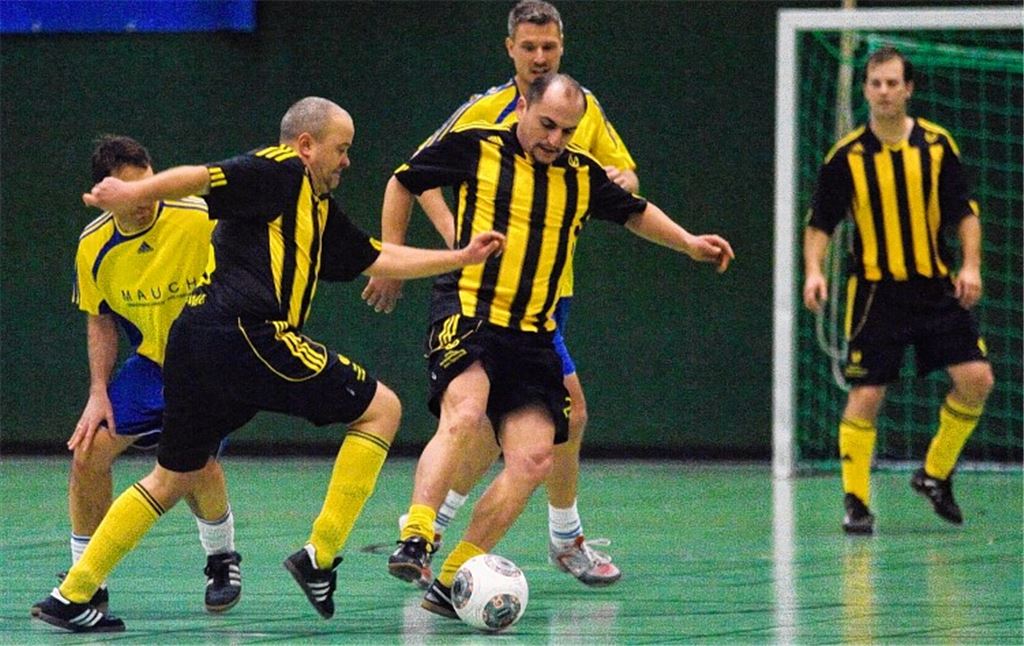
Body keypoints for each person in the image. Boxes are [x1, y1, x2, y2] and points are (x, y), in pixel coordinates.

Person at [31, 96, 505, 633]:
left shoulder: (317, 210)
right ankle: (319, 557)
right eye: (341, 149)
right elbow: (201, 177)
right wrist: (135, 191)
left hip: (195, 341)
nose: (347, 161)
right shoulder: (279, 171)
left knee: (175, 475)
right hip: (246, 330)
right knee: (382, 411)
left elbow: (375, 256)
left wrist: (460, 258)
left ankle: (71, 595)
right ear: (306, 146)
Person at [382, 73, 733, 618]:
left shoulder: (581, 176)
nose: (554, 139)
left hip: (534, 335)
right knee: (467, 411)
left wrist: (689, 243)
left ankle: (451, 583)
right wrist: (394, 261)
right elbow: (403, 181)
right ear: (523, 105)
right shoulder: (477, 146)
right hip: (470, 311)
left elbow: (636, 212)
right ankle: (417, 537)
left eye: (567, 131)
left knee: (533, 459)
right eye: (546, 124)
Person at [363, 0, 636, 588]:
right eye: (529, 47)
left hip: (546, 296)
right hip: (484, 297)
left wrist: (620, 184)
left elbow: (624, 177)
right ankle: (562, 537)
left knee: (504, 428)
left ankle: (438, 528)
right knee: (558, 413)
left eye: (550, 47)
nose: (540, 58)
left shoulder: (577, 107)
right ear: (509, 47)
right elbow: (416, 174)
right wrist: (439, 247)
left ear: (562, 47)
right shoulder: (484, 114)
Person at [803, 47, 995, 536]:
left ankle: (934, 473)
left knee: (977, 380)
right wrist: (814, 272)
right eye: (875, 83)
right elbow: (820, 223)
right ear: (865, 89)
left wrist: (970, 266)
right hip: (874, 292)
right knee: (867, 392)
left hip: (933, 286)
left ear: (908, 89)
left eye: (892, 83)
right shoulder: (845, 157)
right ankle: (856, 501)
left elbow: (965, 213)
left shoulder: (937, 146)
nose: (883, 91)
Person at [66, 135, 242, 615]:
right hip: (152, 366)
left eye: (149, 188)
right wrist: (98, 391)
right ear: (104, 193)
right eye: (129, 192)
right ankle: (89, 577)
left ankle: (221, 556)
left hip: (210, 365)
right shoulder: (93, 247)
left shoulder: (196, 216)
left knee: (194, 464)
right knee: (88, 452)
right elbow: (99, 317)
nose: (143, 201)